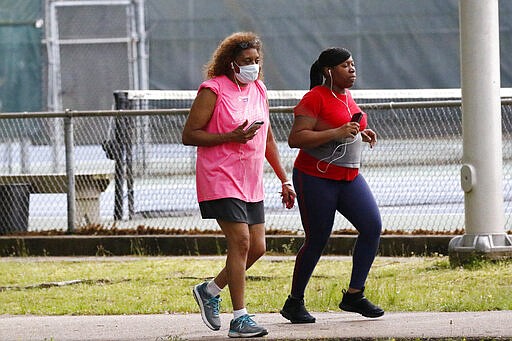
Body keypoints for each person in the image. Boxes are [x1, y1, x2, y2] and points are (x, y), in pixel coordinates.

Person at [182, 31, 296, 338]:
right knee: (241, 241)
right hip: (219, 176)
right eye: (247, 61)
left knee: (257, 248)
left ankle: (210, 290)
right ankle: (240, 318)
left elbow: (267, 137)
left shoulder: (259, 88)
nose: (253, 66)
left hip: (251, 180)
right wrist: (229, 137)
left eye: (256, 61)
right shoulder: (212, 90)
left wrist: (285, 179)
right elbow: (189, 134)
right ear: (231, 63)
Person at [279, 47, 384, 324]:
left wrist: (361, 132)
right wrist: (337, 132)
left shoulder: (347, 96)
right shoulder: (315, 98)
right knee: (317, 239)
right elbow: (296, 138)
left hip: (348, 178)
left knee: (372, 227)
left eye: (353, 64)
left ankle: (354, 295)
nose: (352, 70)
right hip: (315, 178)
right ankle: (294, 302)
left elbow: (345, 127)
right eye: (345, 65)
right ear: (329, 70)